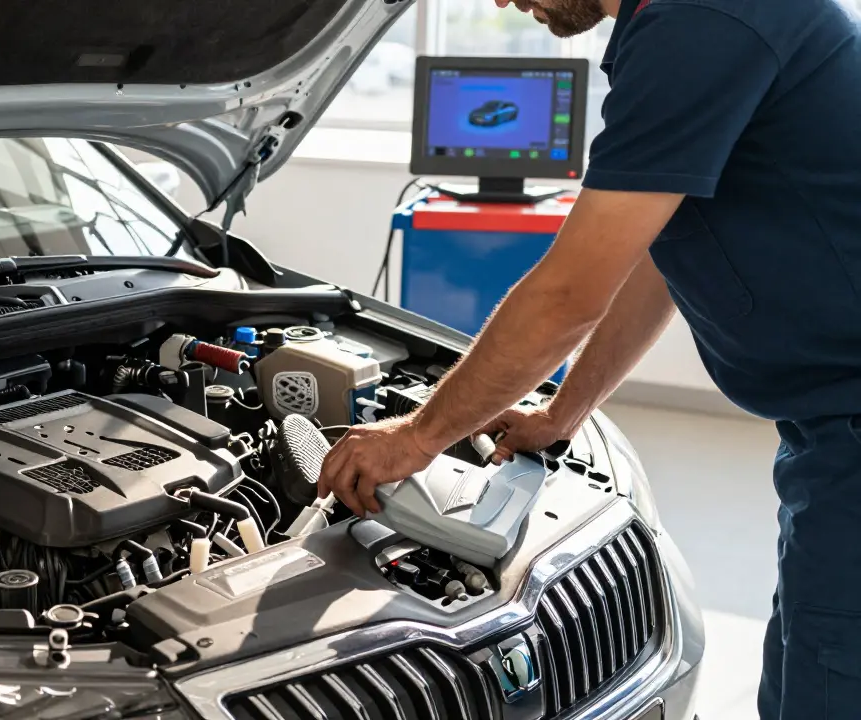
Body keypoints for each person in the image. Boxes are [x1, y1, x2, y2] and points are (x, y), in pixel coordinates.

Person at [316, 0, 861, 716]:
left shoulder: (701, 22)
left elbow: (568, 294)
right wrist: (563, 412)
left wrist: (418, 437)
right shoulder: (685, 25)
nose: (505, 2)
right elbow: (657, 257)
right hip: (827, 438)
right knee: (802, 676)